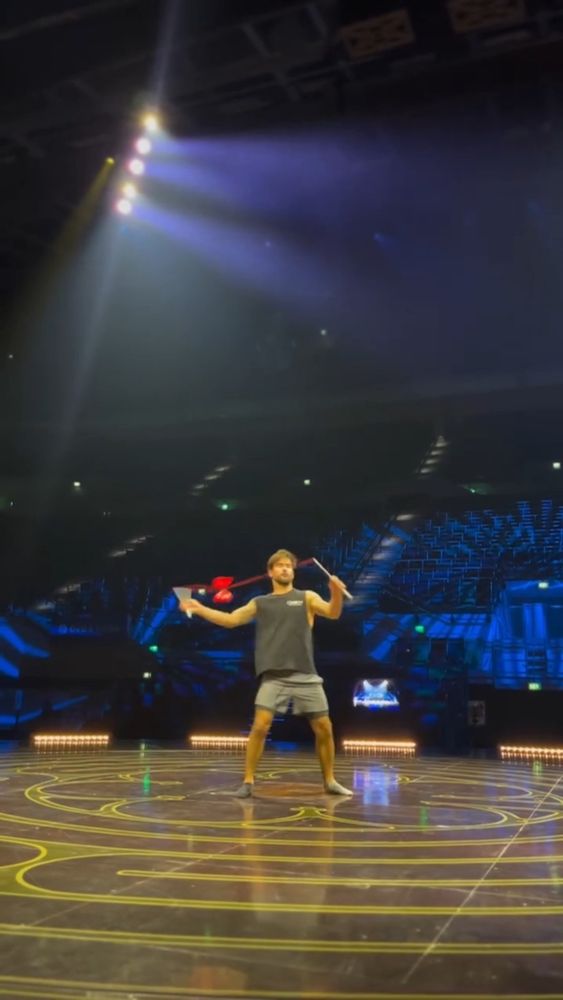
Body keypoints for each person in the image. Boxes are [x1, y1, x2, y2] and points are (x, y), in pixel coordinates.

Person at [181, 549, 353, 797]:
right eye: (280, 565)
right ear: (270, 572)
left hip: (305, 675)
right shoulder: (260, 602)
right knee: (260, 726)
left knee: (324, 728)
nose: (285, 569)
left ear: (293, 572)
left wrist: (335, 592)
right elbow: (230, 620)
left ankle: (330, 781)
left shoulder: (307, 597)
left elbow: (333, 613)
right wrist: (199, 608)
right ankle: (248, 782)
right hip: (273, 676)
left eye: (289, 566)